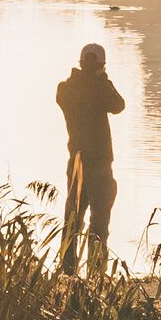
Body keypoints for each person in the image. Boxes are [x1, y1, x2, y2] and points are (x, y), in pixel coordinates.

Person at [54, 41, 128, 278]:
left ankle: (67, 271)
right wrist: (103, 78)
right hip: (100, 165)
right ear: (101, 65)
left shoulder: (65, 89)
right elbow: (119, 105)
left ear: (80, 62)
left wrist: (93, 77)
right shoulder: (100, 88)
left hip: (75, 162)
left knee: (73, 219)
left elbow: (74, 92)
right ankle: (96, 273)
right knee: (99, 220)